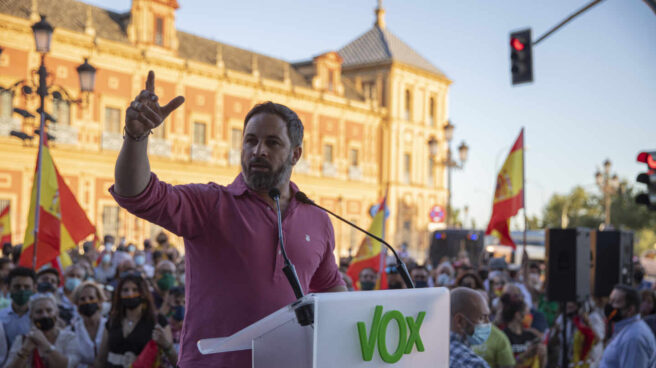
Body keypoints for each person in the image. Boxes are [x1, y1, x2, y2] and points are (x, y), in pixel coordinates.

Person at [110, 72, 346, 367]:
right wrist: (136, 137)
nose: (258, 150)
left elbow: (330, 289)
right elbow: (136, 194)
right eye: (250, 141)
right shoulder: (209, 204)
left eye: (272, 142)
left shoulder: (318, 219)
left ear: (295, 154)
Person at [95, 273, 177, 367]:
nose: (130, 294)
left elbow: (173, 360)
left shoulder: (157, 321)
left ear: (143, 293)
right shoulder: (113, 321)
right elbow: (101, 358)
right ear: (120, 294)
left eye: (135, 290)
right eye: (125, 290)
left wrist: (166, 345)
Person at [5, 293, 80, 367]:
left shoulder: (69, 338)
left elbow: (68, 365)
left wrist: (44, 343)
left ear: (57, 314)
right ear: (31, 316)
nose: (44, 315)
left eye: (49, 310)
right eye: (39, 312)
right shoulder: (22, 340)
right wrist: (25, 351)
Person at [600, 284, 656, 368]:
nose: (610, 305)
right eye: (610, 300)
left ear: (630, 310)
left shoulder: (633, 338)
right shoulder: (626, 329)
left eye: (616, 302)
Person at [499, 293, 546, 368]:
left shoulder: (532, 336)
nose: (530, 316)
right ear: (517, 315)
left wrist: (543, 355)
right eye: (527, 313)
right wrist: (524, 356)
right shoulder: (502, 337)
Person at [449, 287, 491, 368]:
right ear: (460, 321)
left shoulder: (428, 349)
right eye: (482, 318)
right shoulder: (475, 364)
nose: (488, 323)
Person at [471, 290, 515, 368]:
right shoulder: (454, 333)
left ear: (488, 310)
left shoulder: (499, 338)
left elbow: (507, 365)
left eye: (481, 304)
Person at [71, 281, 106, 368]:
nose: (87, 302)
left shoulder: (110, 326)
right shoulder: (72, 331)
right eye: (82, 299)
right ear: (77, 304)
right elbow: (71, 361)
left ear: (99, 301)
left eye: (91, 298)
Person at [0, 267, 36, 349]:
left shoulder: (39, 316)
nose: (22, 290)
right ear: (8, 288)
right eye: (17, 287)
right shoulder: (0, 317)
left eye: (27, 287)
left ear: (34, 288)